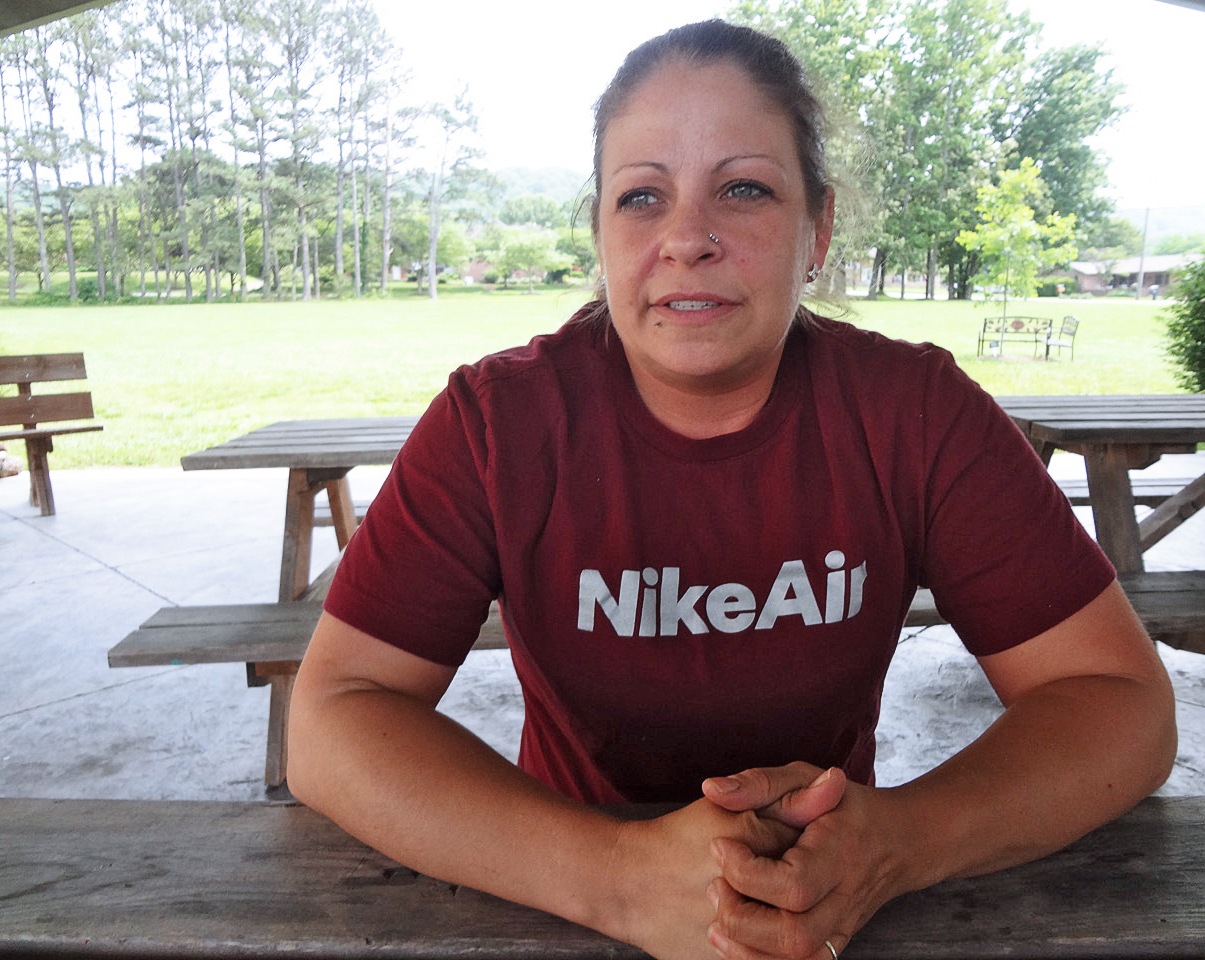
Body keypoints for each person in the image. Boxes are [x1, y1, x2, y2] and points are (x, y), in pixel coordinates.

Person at [288, 20, 1177, 960]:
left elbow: (1120, 703)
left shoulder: (913, 411)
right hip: (557, 894)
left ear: (818, 228)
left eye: (744, 189)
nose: (686, 239)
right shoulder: (497, 422)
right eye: (641, 197)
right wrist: (619, 879)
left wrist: (900, 842)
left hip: (833, 902)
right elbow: (335, 718)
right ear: (599, 230)